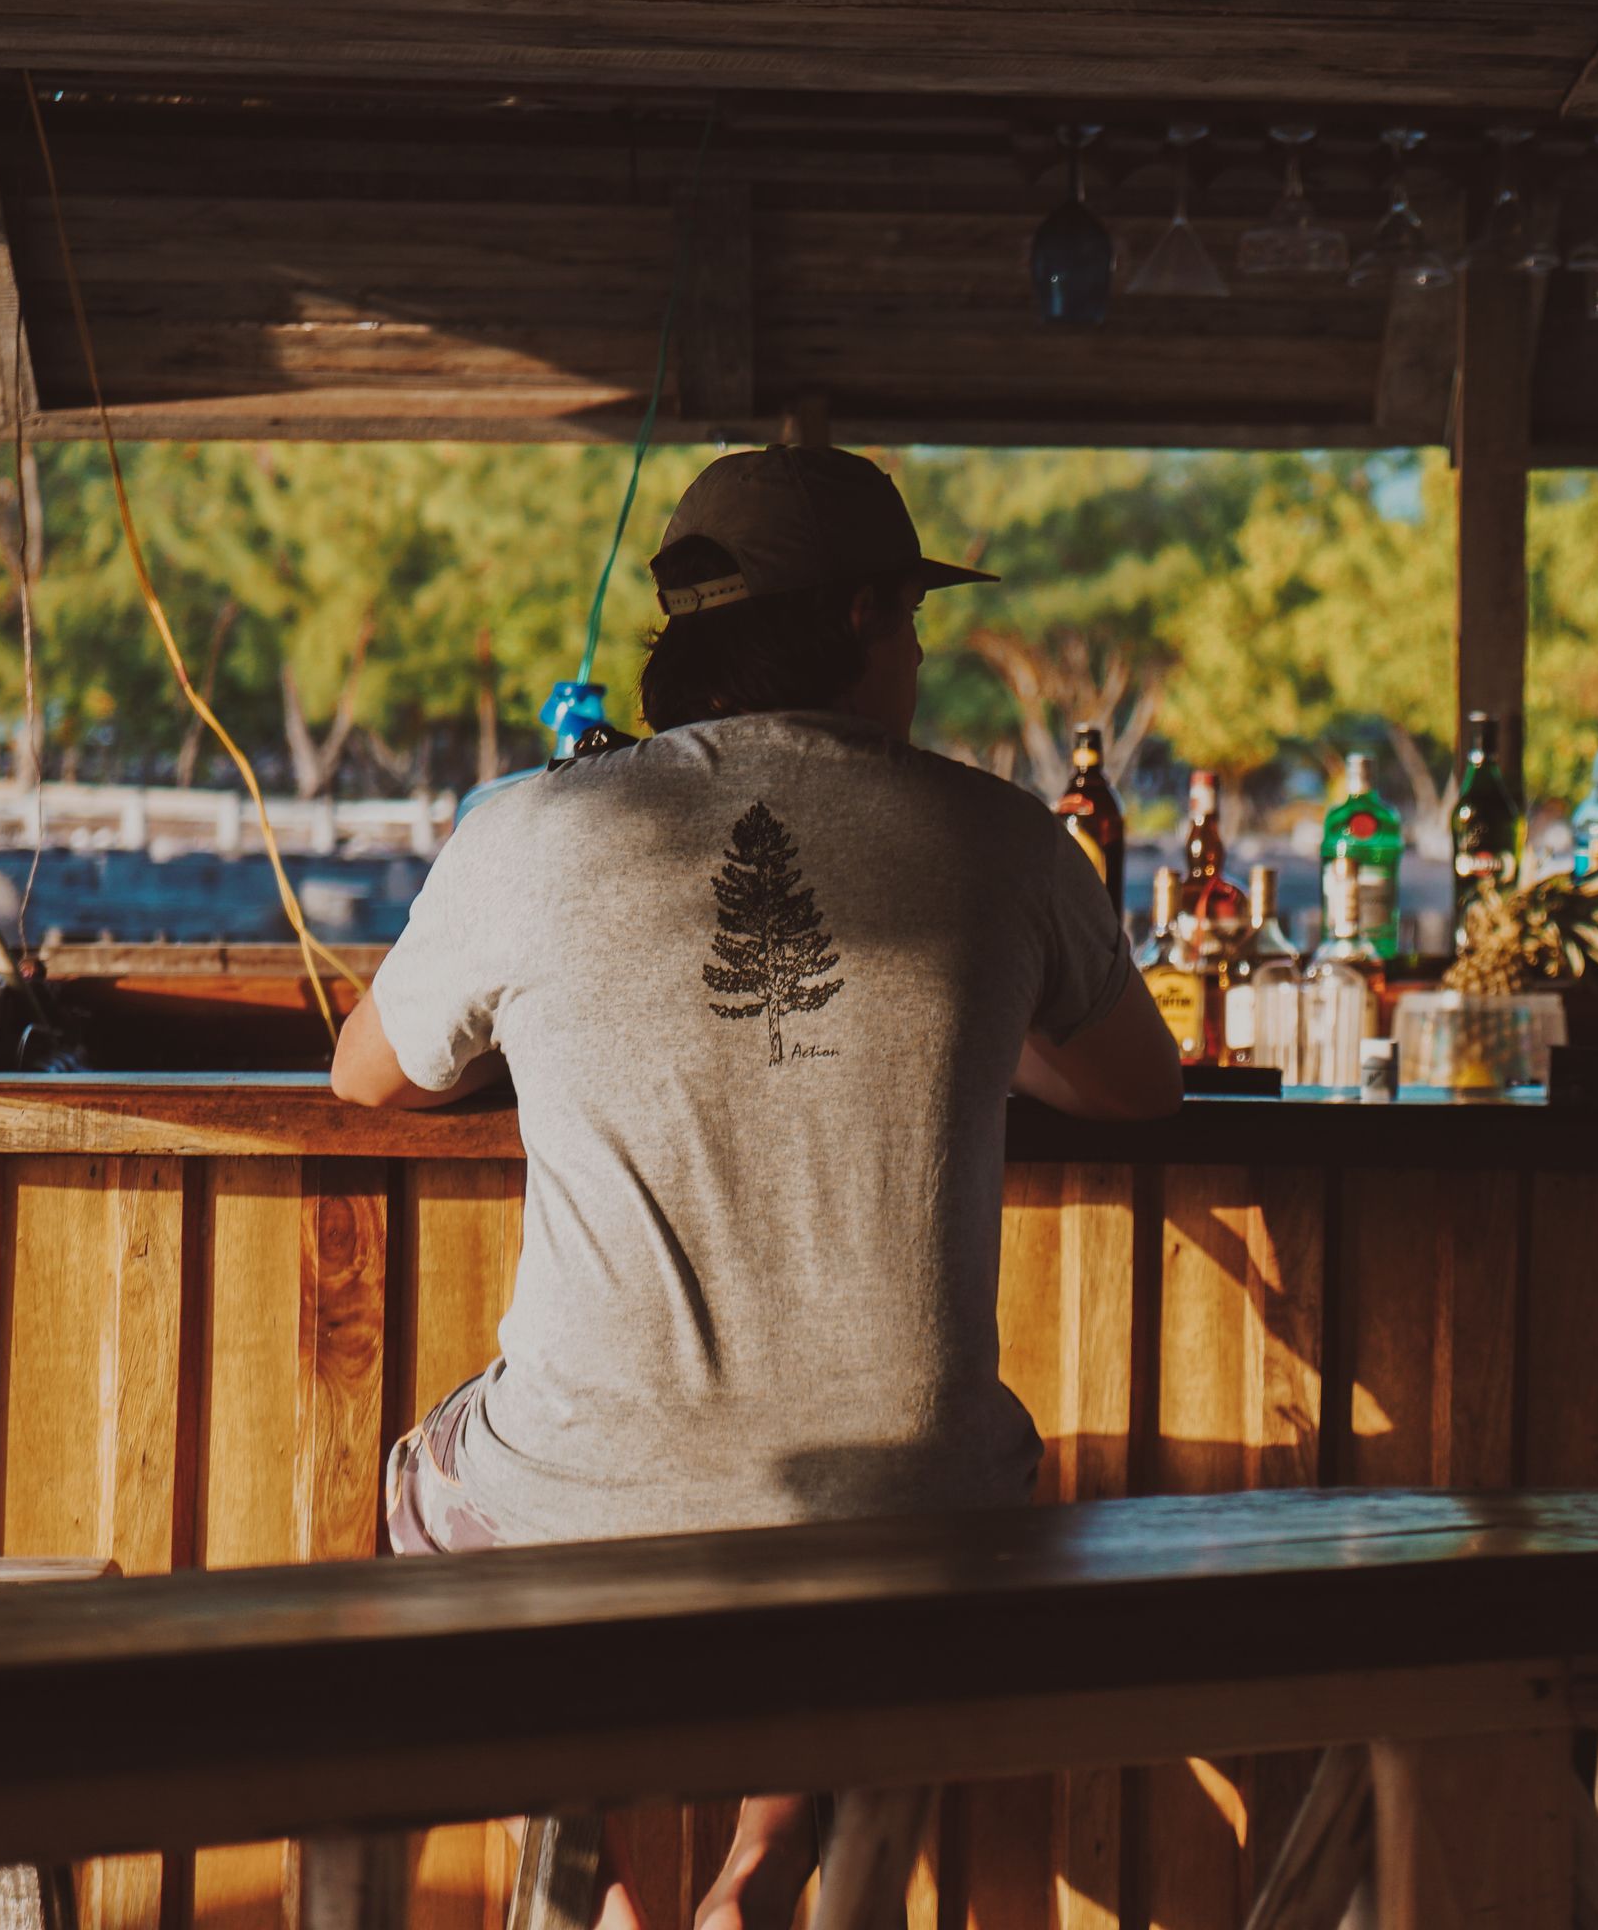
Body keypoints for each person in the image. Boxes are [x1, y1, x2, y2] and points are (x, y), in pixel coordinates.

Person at [327, 444, 1179, 1929]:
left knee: (431, 1480)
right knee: (859, 1508)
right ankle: (762, 1871)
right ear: (860, 617)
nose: (918, 658)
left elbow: (370, 1078)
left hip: (577, 1502)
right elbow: (1136, 1086)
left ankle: (587, 1875)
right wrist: (980, 1033)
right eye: (911, 625)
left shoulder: (530, 832)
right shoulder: (1003, 839)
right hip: (921, 1517)